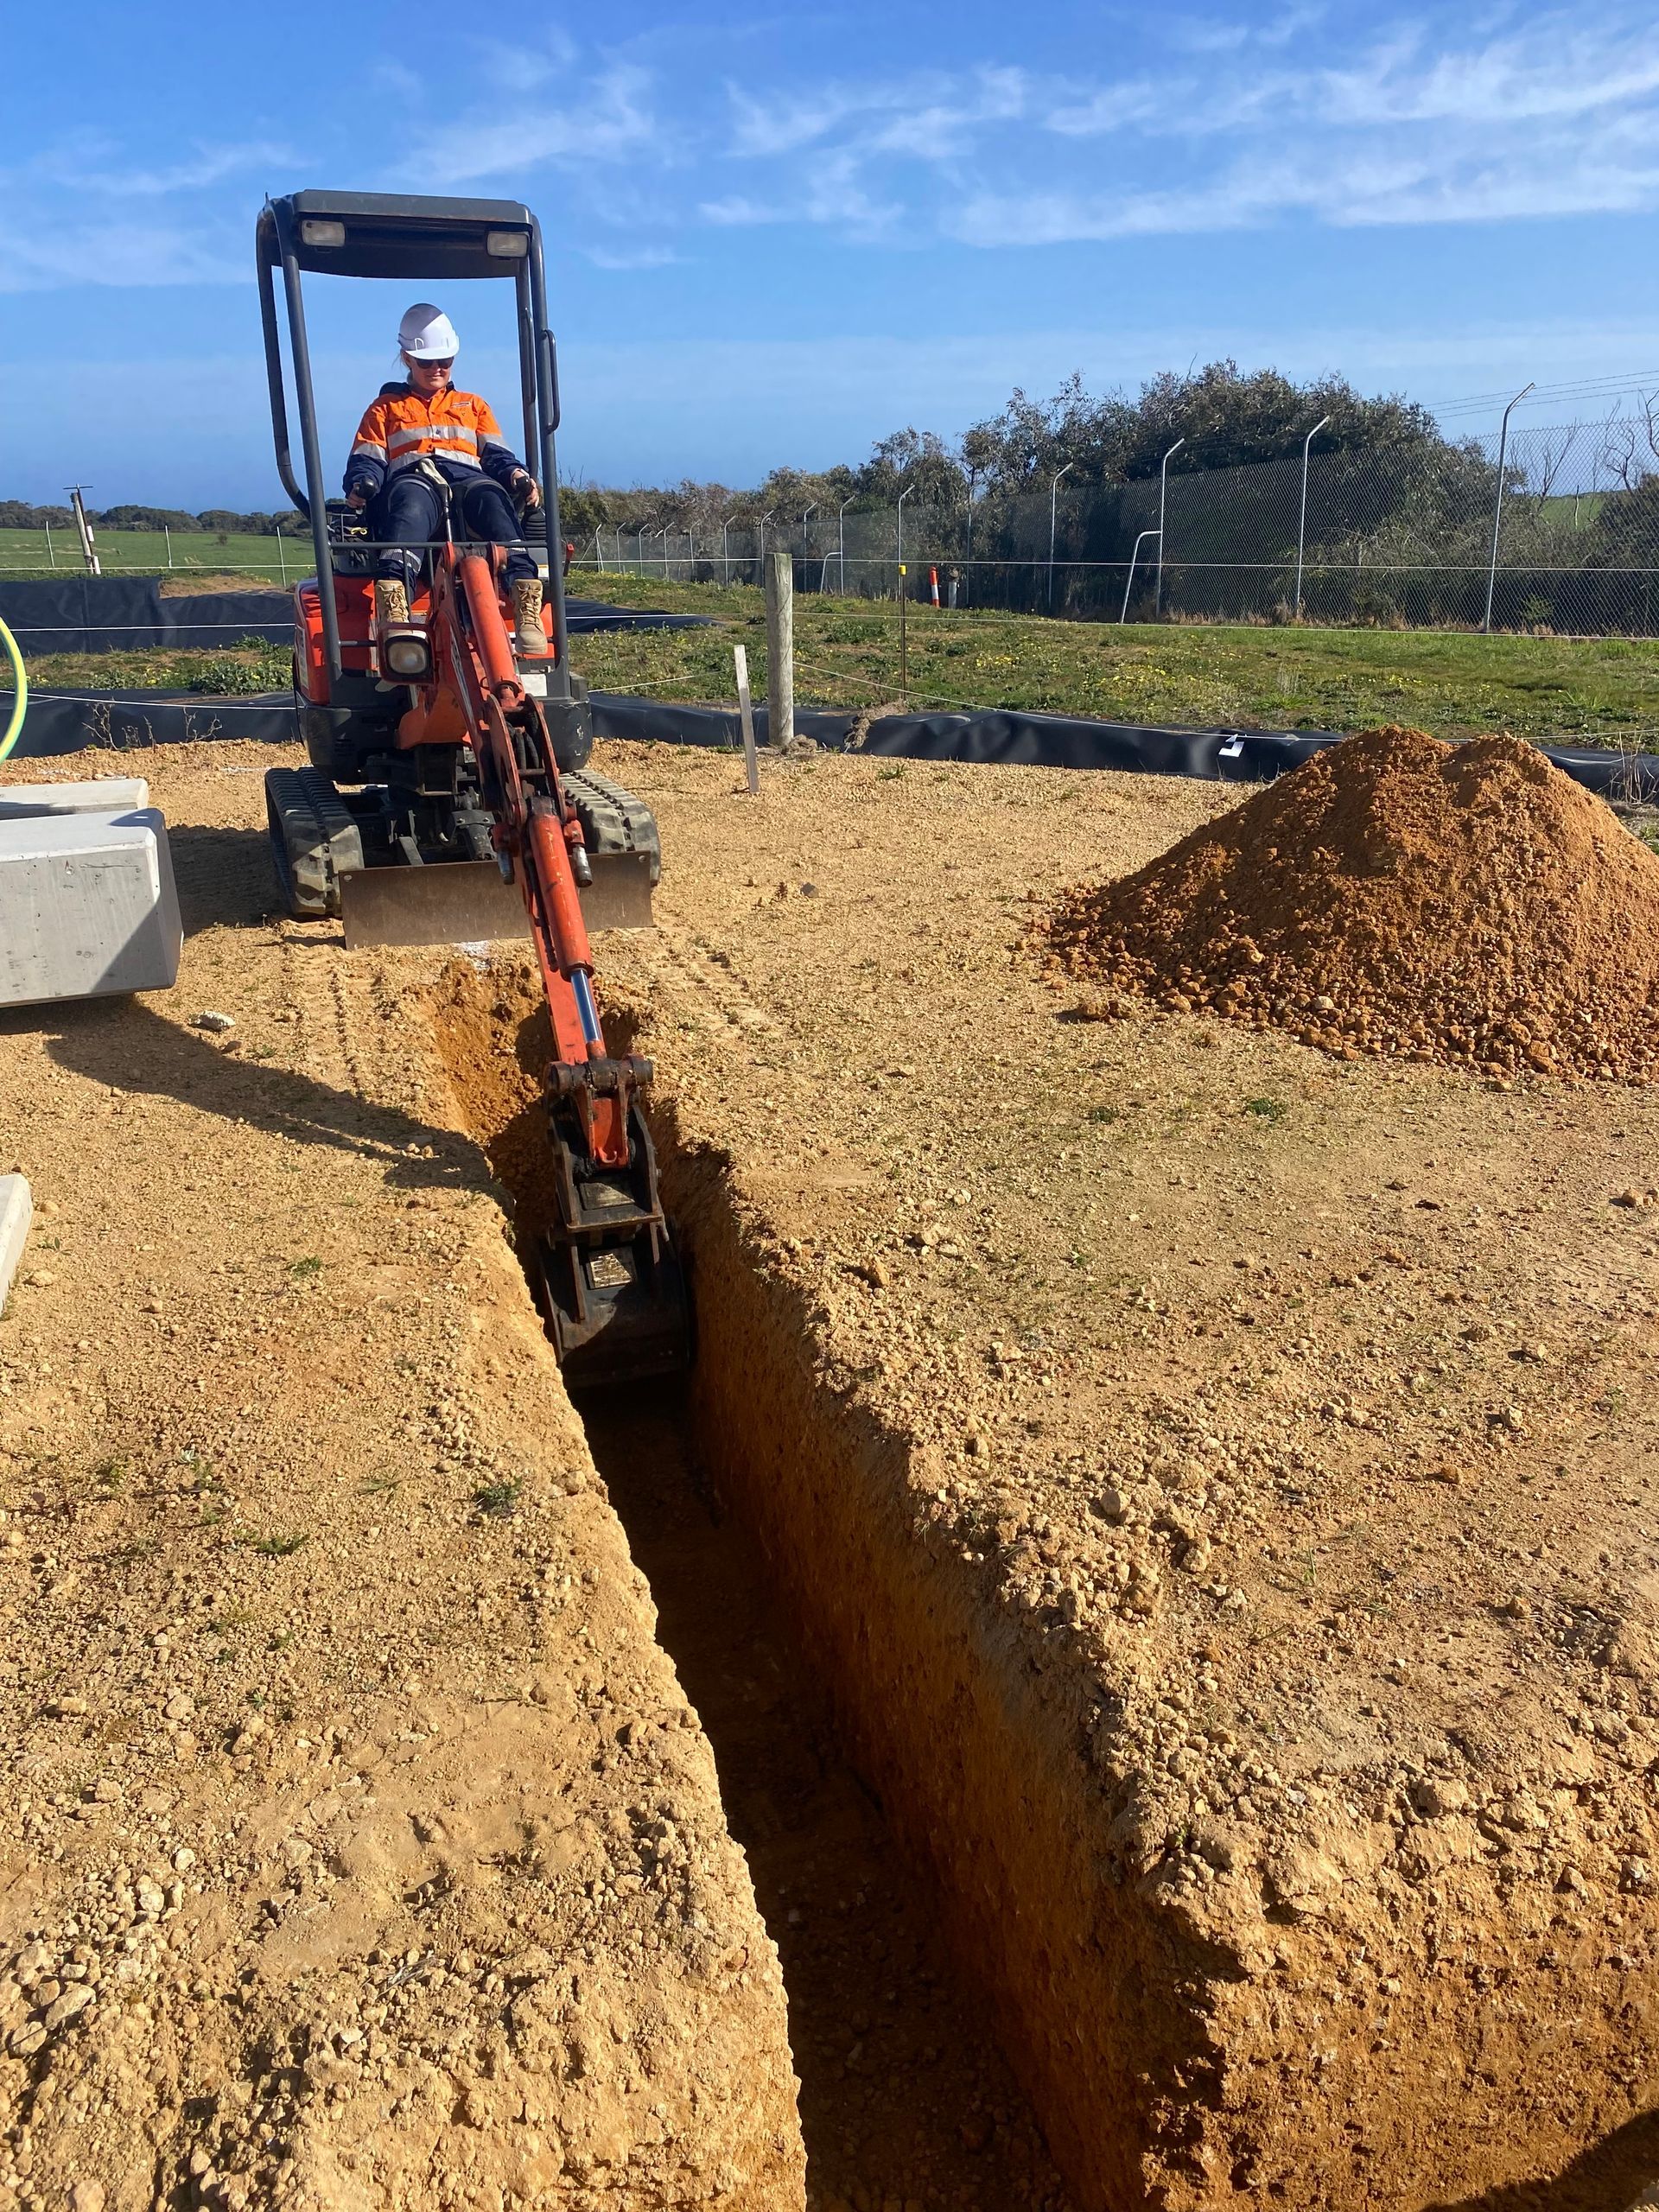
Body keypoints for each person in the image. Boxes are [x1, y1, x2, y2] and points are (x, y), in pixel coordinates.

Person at [344, 303, 547, 655]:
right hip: (414, 480)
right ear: (407, 359)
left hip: (468, 482)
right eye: (426, 362)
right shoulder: (385, 409)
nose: (436, 369)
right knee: (410, 506)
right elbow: (368, 458)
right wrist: (362, 485)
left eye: (445, 361)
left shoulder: (474, 406)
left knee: (493, 498)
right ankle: (395, 601)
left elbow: (496, 455)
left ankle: (525, 596)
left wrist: (517, 475)